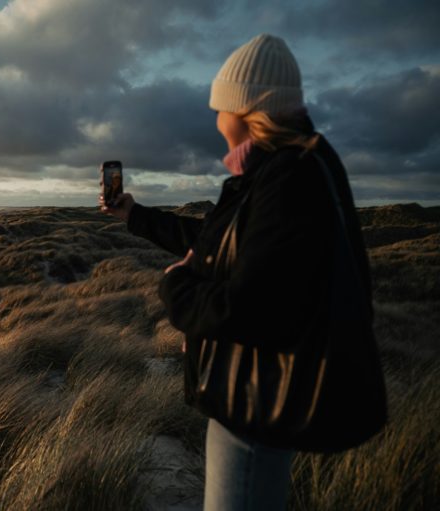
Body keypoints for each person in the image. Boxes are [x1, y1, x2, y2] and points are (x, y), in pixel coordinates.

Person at [100, 34, 385, 510]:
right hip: (257, 395)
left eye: (220, 108)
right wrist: (134, 215)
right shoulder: (283, 169)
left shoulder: (290, 179)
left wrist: (175, 287)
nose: (215, 120)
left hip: (257, 401)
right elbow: (217, 243)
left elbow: (251, 310)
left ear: (248, 111)